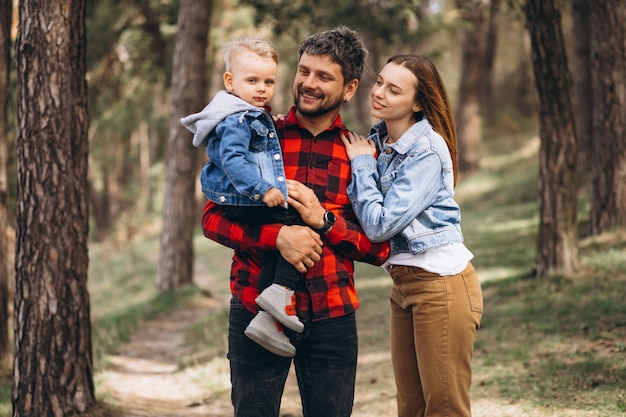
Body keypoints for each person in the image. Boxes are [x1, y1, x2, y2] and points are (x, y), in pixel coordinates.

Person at [201, 27, 390, 417]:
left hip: (331, 316)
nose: (308, 83)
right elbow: (212, 219)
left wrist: (324, 222)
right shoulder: (257, 134)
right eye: (304, 71)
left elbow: (379, 247)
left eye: (324, 76)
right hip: (254, 305)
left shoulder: (362, 155)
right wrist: (279, 236)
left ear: (349, 88)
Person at [340, 54, 483, 417]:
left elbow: (379, 225)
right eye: (380, 82)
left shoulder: (425, 150)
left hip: (440, 285)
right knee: (411, 407)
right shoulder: (378, 143)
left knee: (445, 408)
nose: (380, 93)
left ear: (417, 103)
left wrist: (361, 164)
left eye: (394, 89)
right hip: (403, 285)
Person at [181, 37, 307, 358]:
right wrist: (263, 189)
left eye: (268, 81)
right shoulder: (238, 119)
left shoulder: (249, 114)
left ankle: (269, 316)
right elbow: (234, 161)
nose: (262, 88)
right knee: (298, 223)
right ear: (230, 82)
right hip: (243, 198)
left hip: (239, 197)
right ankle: (278, 296)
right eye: (252, 81)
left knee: (274, 248)